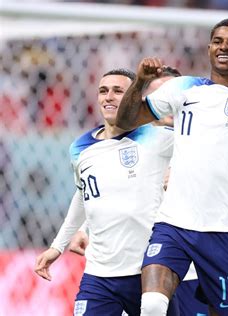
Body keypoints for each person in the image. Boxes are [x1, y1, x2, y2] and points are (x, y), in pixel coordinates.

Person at [115, 13, 228, 316]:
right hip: (175, 223)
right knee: (153, 304)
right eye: (217, 42)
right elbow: (126, 120)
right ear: (208, 49)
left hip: (225, 228)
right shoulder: (184, 88)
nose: (223, 47)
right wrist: (140, 82)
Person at [34, 67, 208, 316]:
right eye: (104, 91)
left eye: (118, 91)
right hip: (99, 274)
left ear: (134, 98)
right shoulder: (80, 148)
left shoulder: (159, 137)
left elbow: (209, 147)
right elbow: (84, 193)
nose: (109, 97)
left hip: (148, 272)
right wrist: (58, 245)